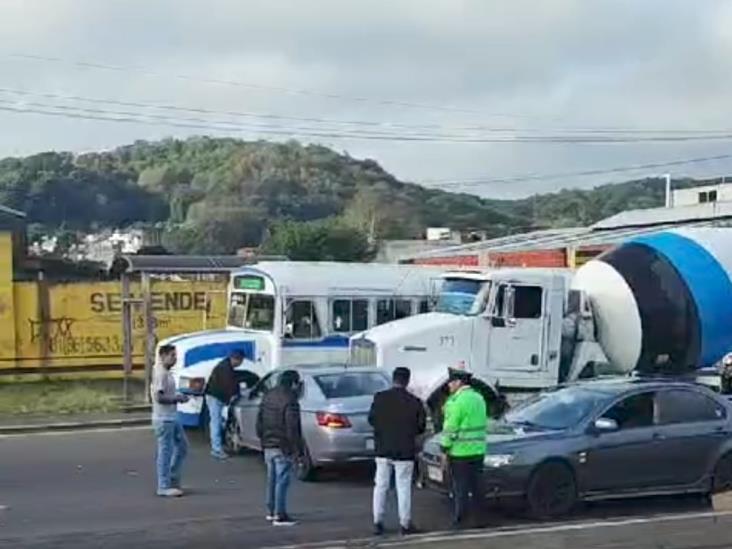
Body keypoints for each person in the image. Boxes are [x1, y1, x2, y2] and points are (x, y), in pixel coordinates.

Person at [368, 367, 426, 536]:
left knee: (380, 486)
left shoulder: (380, 398)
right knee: (403, 486)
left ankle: (377, 522)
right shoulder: (414, 401)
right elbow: (421, 427)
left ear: (393, 380)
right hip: (405, 450)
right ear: (407, 381)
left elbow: (371, 419)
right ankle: (405, 523)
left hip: (383, 448)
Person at [440, 367, 488, 529]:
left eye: (451, 383)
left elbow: (450, 429)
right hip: (478, 450)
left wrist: (444, 449)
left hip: (460, 453)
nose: (449, 386)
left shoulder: (456, 402)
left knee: (460, 488)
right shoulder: (479, 398)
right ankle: (480, 519)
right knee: (477, 487)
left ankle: (460, 520)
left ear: (458, 382)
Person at [256, 369, 304, 526]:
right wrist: (297, 450)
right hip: (283, 445)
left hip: (268, 443)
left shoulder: (268, 395)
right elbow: (292, 427)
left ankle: (271, 511)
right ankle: (280, 514)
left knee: (272, 479)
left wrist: (262, 439)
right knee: (282, 481)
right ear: (294, 383)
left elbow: (259, 421)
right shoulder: (290, 400)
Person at [151, 344, 190, 497]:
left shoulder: (167, 372)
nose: (175, 359)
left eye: (175, 355)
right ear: (163, 356)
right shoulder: (160, 373)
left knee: (182, 447)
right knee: (165, 452)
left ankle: (172, 478)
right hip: (164, 419)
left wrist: (178, 395)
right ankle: (163, 485)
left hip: (172, 417)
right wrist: (176, 398)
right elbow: (159, 397)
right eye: (172, 355)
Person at [204, 349, 246, 459]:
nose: (240, 364)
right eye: (241, 361)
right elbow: (228, 386)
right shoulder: (225, 369)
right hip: (215, 397)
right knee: (216, 422)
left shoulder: (225, 366)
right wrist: (236, 394)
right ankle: (216, 449)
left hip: (214, 396)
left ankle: (217, 447)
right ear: (237, 359)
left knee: (216, 421)